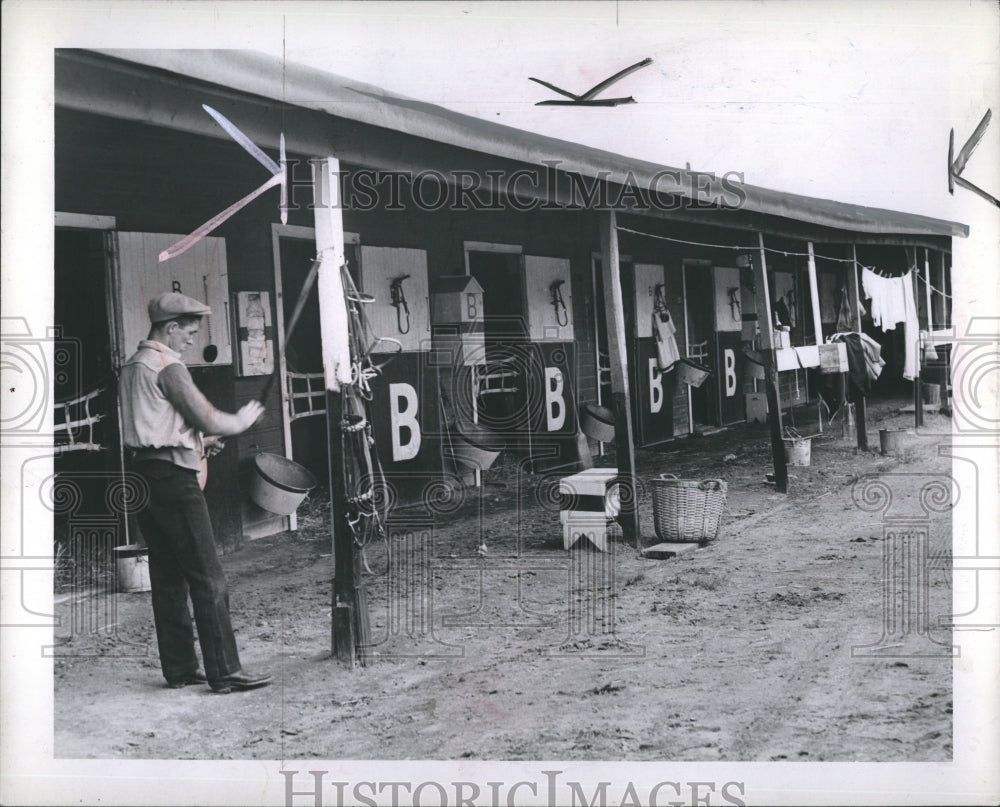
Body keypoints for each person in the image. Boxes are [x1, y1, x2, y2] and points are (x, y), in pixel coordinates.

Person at [119, 291, 270, 694]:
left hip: (144, 475)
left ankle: (181, 668)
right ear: (169, 329)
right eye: (187, 332)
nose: (189, 340)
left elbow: (162, 420)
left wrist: (199, 440)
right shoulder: (168, 366)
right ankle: (225, 672)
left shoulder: (134, 365)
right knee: (208, 576)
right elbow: (203, 414)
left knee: (168, 576)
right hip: (174, 478)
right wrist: (237, 421)